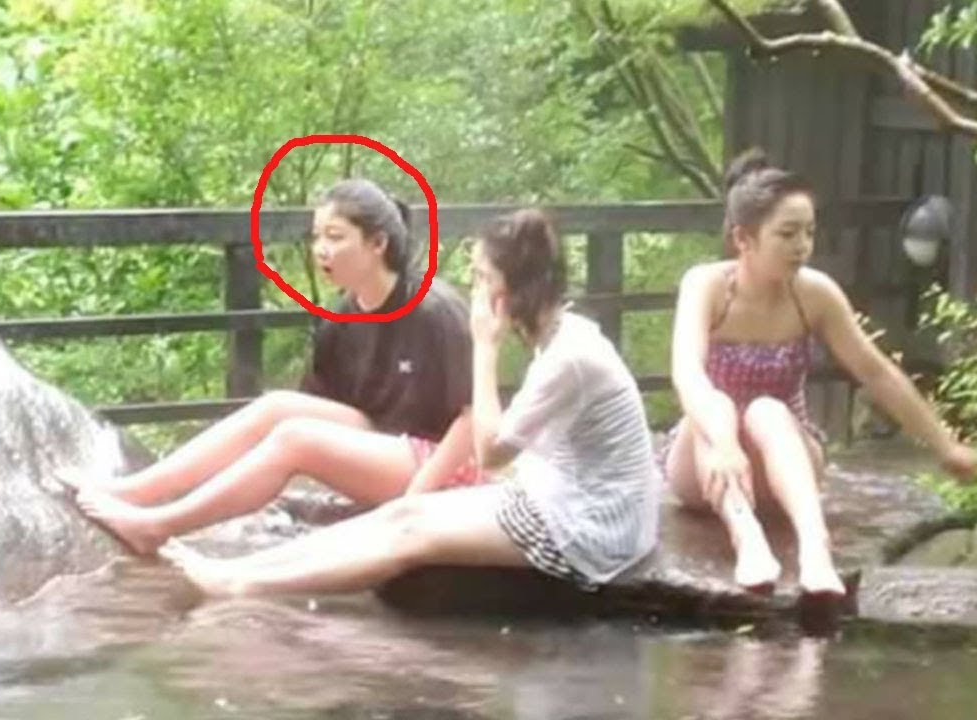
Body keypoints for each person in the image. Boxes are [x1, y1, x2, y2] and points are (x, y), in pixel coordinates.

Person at [165, 208, 662, 597]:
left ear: (511, 289)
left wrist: (485, 348)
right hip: (563, 498)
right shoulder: (563, 337)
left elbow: (490, 452)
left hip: (589, 531)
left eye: (481, 277)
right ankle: (239, 572)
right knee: (399, 515)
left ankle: (246, 584)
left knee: (410, 533)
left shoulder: (570, 356)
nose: (474, 290)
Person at [69, 178, 478, 554]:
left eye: (335, 237)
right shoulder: (341, 317)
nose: (321, 250)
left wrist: (411, 505)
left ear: (378, 243)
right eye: (316, 237)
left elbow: (472, 419)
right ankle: (134, 491)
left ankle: (156, 527)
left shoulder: (434, 310)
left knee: (295, 439)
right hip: (384, 441)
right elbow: (317, 410)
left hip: (446, 464)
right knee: (277, 407)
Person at [665, 148, 977, 598]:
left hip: (785, 457)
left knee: (766, 410)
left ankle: (815, 547)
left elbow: (876, 372)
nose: (802, 246)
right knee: (717, 406)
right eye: (787, 234)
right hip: (709, 460)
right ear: (743, 239)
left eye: (809, 232)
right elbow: (687, 372)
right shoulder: (707, 285)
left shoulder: (816, 294)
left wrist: (945, 445)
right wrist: (725, 441)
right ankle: (746, 538)